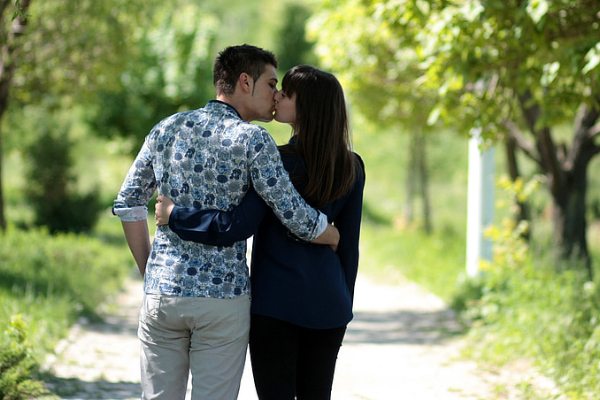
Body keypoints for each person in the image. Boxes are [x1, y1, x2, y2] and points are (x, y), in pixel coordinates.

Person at [112, 46, 339, 400]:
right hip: (222, 301)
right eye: (271, 84)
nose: (275, 95)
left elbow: (128, 202)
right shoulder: (254, 140)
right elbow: (292, 212)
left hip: (162, 295)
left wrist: (149, 269)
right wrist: (330, 233)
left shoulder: (166, 128)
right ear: (245, 82)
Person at [155, 65, 366, 400]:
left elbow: (238, 224)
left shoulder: (275, 160)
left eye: (286, 92)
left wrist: (174, 215)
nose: (277, 95)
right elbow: (349, 247)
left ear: (306, 107)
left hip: (275, 306)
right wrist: (344, 303)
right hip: (329, 307)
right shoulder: (352, 166)